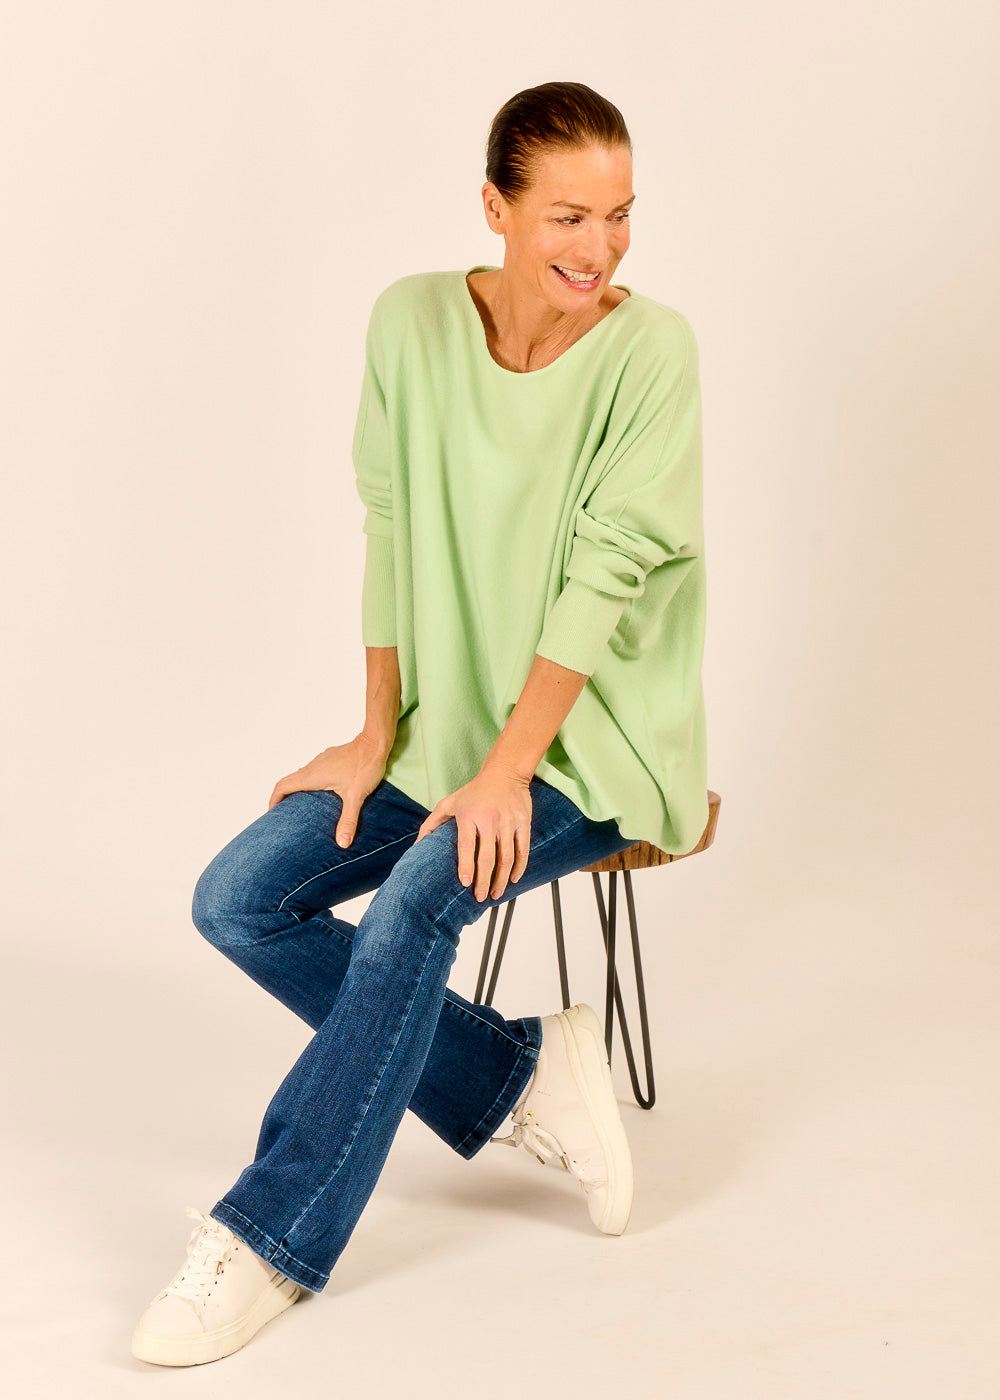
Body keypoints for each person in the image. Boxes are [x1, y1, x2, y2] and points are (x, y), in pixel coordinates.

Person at [130, 80, 708, 1368]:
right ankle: (519, 1074)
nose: (601, 248)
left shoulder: (652, 351)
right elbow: (391, 525)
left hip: (595, 744)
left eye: (621, 215)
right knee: (239, 900)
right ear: (495, 206)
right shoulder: (410, 322)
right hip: (450, 730)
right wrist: (375, 733)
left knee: (411, 905)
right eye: (569, 215)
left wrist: (508, 772)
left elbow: (606, 576)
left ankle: (270, 1238)